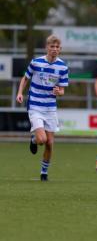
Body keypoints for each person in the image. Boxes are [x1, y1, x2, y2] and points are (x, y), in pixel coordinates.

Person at [16, 34, 68, 181]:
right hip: (35, 106)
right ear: (47, 47)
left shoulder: (62, 67)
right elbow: (25, 78)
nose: (54, 49)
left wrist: (60, 92)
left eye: (57, 47)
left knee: (50, 143)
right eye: (52, 46)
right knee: (42, 139)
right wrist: (20, 93)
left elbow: (62, 90)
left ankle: (44, 173)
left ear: (60, 49)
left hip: (50, 108)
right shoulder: (36, 62)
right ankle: (34, 140)